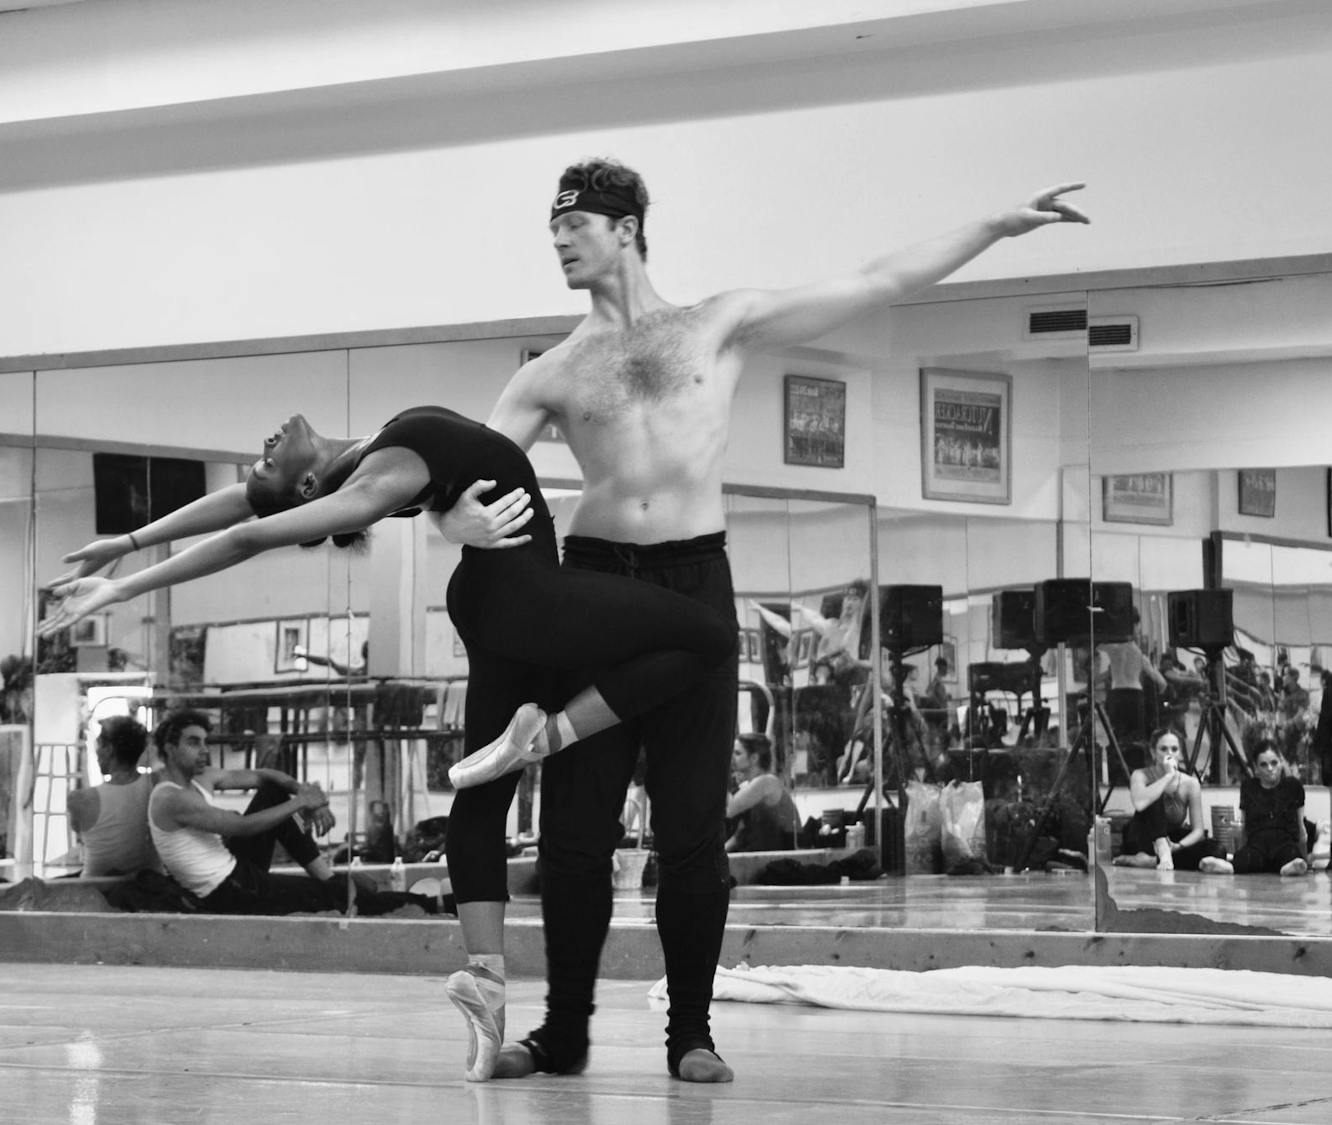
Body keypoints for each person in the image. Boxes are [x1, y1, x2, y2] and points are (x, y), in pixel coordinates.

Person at [437, 159, 1088, 1082]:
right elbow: (461, 464)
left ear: (625, 227)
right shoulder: (552, 370)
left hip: (694, 582)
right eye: (552, 229)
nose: (558, 242)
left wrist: (993, 225)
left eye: (572, 225)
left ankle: (691, 1032)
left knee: (693, 829)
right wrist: (451, 519)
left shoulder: (719, 322)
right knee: (575, 839)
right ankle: (564, 1033)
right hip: (595, 589)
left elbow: (873, 283)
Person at [38, 404, 736, 1080]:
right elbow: (250, 534)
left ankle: (487, 982)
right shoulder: (378, 479)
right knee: (709, 635)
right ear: (309, 490)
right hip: (526, 603)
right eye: (269, 461)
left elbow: (238, 507)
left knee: (479, 792)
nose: (266, 442)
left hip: (496, 603)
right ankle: (551, 733)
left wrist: (126, 542)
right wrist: (116, 592)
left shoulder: (372, 457)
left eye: (259, 460)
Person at [143, 709, 437, 915]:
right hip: (226, 891)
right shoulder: (170, 799)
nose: (204, 750)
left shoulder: (202, 777)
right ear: (169, 748)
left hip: (236, 870)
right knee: (334, 896)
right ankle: (427, 903)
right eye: (194, 743)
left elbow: (265, 776)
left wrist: (305, 794)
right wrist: (301, 802)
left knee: (274, 792)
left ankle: (327, 877)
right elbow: (242, 827)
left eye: (205, 742)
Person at [1112, 727, 1223, 872]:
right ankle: (1160, 852)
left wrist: (1178, 846)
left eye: (1174, 749)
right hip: (1142, 837)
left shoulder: (1190, 783)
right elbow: (1139, 804)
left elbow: (1198, 830)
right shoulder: (1140, 775)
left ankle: (1152, 861)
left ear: (1180, 753)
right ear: (1153, 752)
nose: (1169, 754)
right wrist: (1168, 776)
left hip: (1171, 838)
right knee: (1154, 796)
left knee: (1218, 850)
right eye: (1163, 749)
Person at [66, 714, 163, 878]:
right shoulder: (157, 784)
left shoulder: (79, 799)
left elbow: (78, 830)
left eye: (98, 745)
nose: (96, 752)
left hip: (96, 891)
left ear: (109, 749)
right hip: (150, 887)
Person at [1201, 741, 1310, 876]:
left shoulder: (1293, 786)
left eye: (1274, 763)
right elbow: (1244, 826)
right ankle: (1230, 867)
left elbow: (1301, 828)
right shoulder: (1249, 787)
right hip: (1257, 844)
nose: (1270, 768)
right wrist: (1239, 853)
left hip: (1285, 843)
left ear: (1281, 762)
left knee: (1291, 855)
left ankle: (1289, 868)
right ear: (1256, 768)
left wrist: (1305, 858)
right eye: (1264, 765)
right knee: (1247, 857)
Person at [1095, 608, 1167, 764]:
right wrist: (1158, 697)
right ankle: (1134, 770)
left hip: (1117, 695)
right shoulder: (1140, 655)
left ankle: (1119, 773)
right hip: (1135, 697)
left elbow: (1097, 645)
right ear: (1136, 626)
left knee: (1117, 738)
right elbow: (1162, 683)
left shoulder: (1113, 649)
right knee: (1137, 739)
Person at [724, 733, 799, 853]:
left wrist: (720, 771)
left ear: (754, 758)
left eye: (737, 753)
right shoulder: (750, 785)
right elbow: (740, 835)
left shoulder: (767, 782)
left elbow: (729, 810)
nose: (732, 757)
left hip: (786, 853)